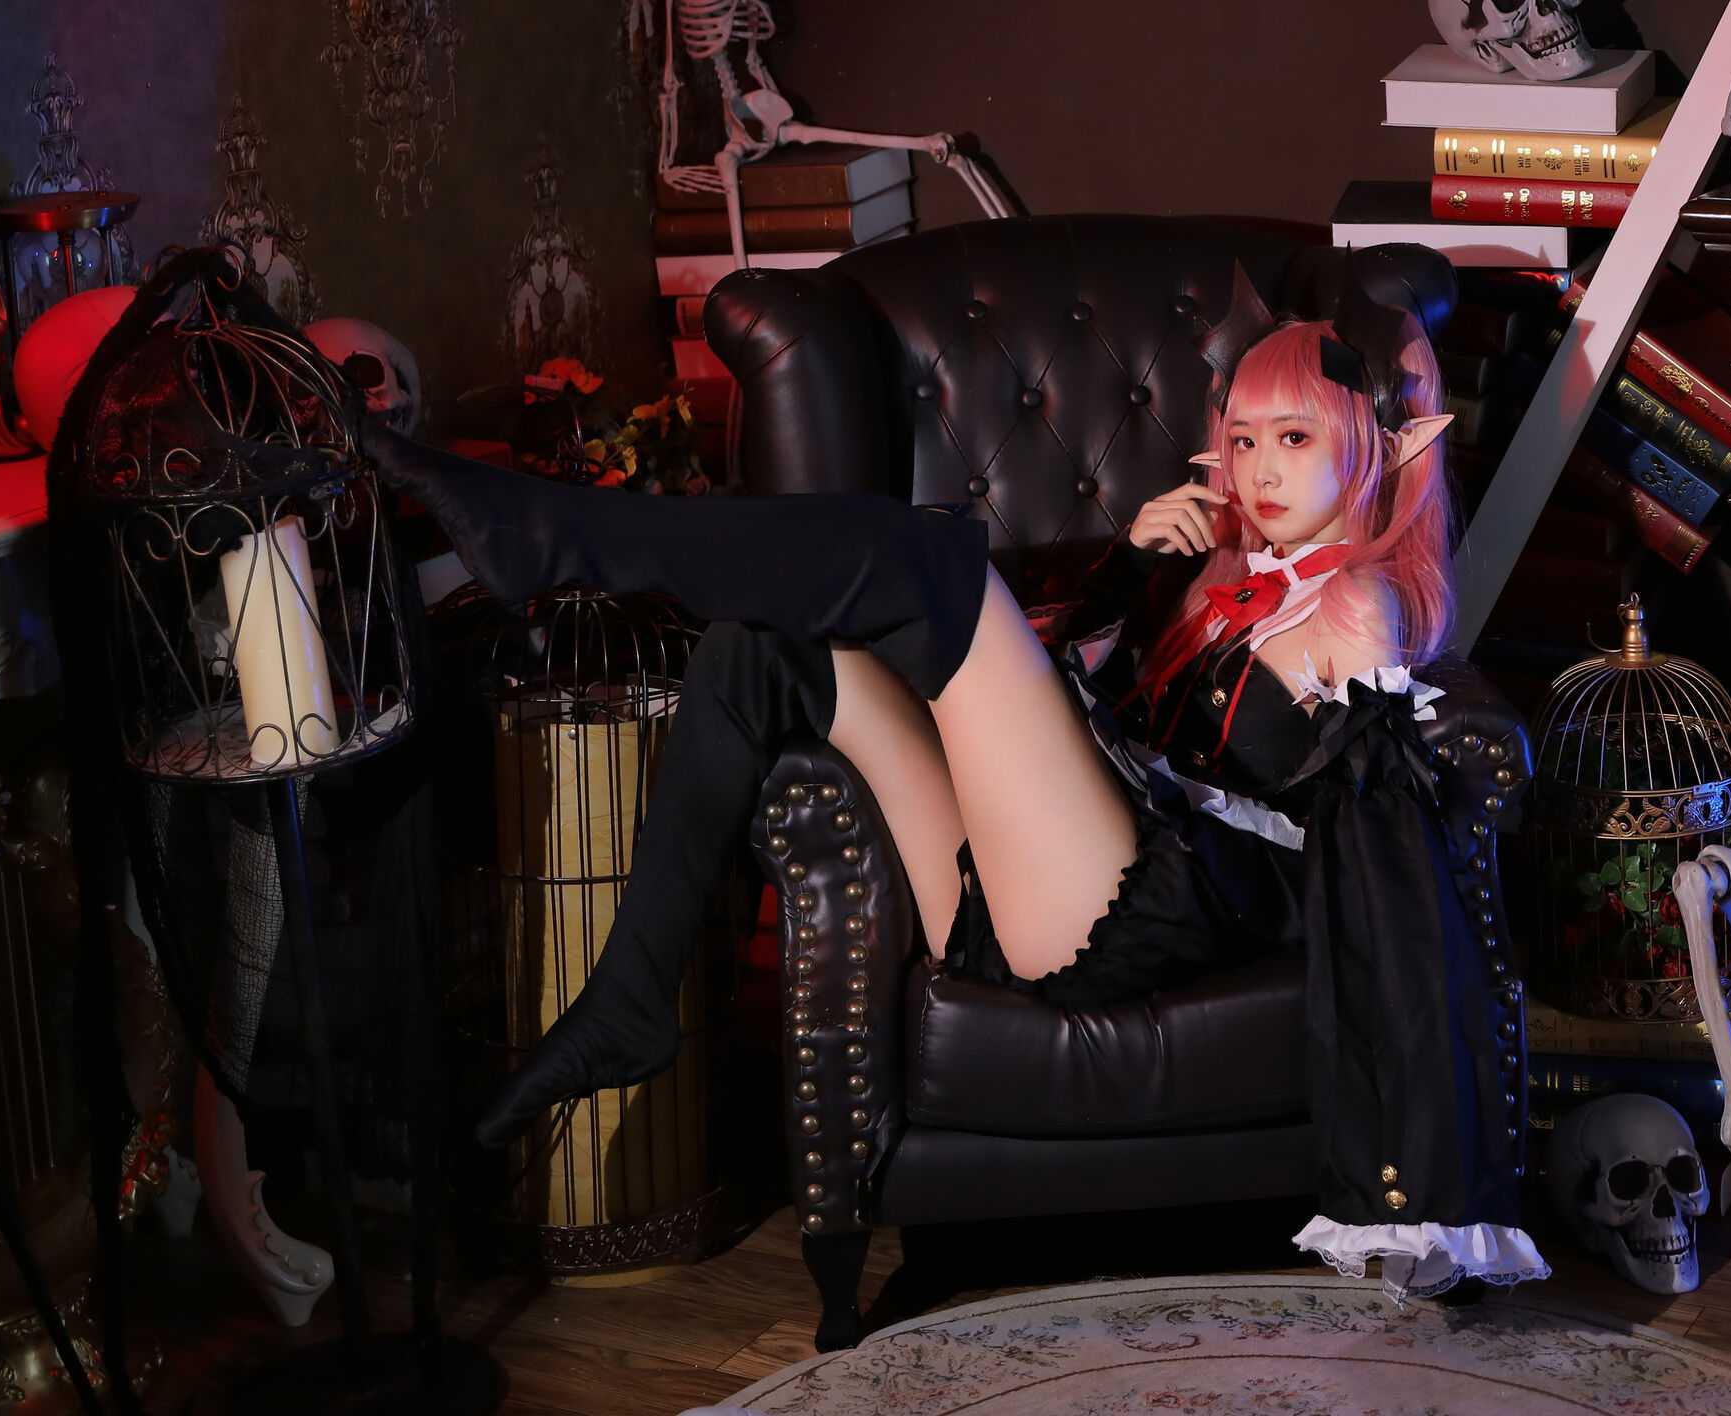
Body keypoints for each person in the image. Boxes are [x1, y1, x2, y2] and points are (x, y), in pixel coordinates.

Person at [366, 267, 1544, 1298]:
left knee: (937, 567)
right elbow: (1099, 709)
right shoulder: (1230, 574)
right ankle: (631, 998)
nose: (1260, 469)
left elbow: (1367, 833)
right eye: (1242, 439)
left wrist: (1420, 1163)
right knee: (760, 657)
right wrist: (1134, 568)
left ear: (1372, 450)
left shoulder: (1358, 604)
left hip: (1128, 914)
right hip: (1022, 892)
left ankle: (551, 535)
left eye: (1296, 439)